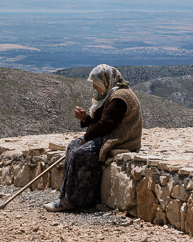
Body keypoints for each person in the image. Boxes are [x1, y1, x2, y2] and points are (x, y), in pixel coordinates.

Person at [43, 64, 142, 212]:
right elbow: (101, 122)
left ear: (105, 81)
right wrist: (86, 119)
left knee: (81, 153)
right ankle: (65, 196)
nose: (95, 88)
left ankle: (79, 199)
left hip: (120, 139)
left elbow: (105, 125)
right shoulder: (112, 94)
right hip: (109, 135)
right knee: (72, 146)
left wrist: (87, 137)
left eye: (96, 83)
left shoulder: (120, 98)